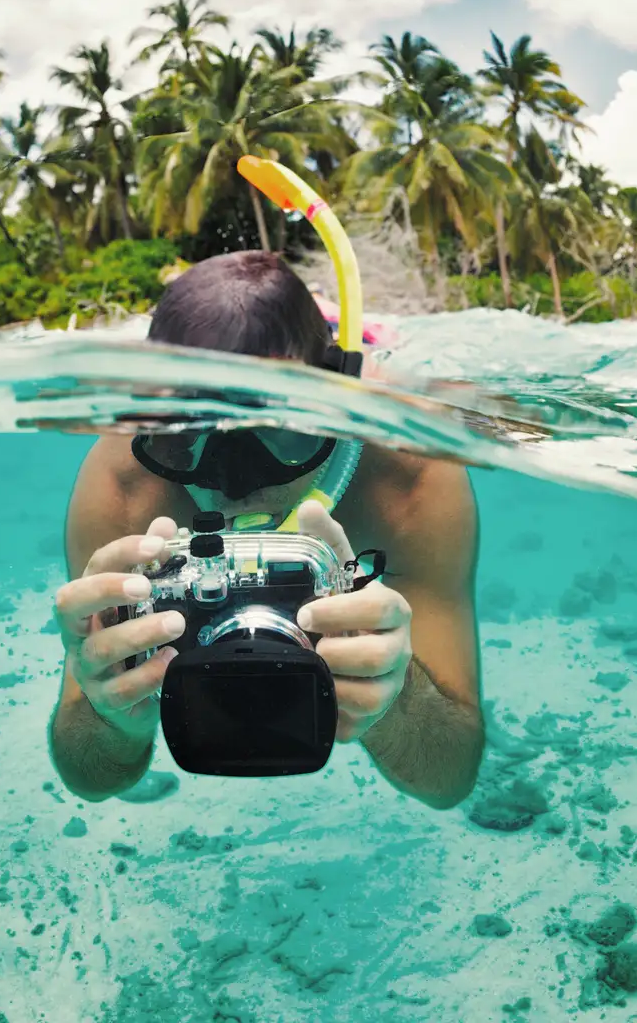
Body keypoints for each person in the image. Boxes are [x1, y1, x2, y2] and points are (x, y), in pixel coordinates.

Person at [49, 250, 484, 810]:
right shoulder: (123, 479)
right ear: (154, 421)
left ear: (331, 405)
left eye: (282, 432)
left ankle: (333, 322)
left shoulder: (410, 470)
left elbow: (449, 779)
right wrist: (108, 713)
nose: (236, 480)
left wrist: (395, 697)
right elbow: (91, 777)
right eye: (186, 436)